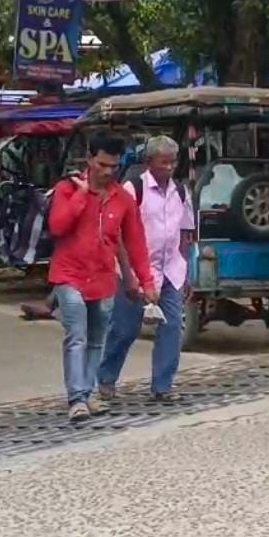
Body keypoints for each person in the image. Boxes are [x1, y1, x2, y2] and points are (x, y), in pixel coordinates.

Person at [48, 133, 159, 423]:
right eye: (102, 164)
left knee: (97, 340)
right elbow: (58, 227)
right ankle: (77, 399)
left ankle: (89, 392)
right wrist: (83, 195)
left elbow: (136, 243)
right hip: (69, 275)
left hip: (103, 279)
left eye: (113, 166)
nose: (108, 171)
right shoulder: (67, 189)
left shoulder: (122, 199)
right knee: (77, 336)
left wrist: (146, 281)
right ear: (89, 160)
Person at [97, 136, 195, 402]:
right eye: (164, 163)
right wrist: (128, 274)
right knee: (125, 329)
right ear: (149, 162)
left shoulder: (181, 192)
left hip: (171, 270)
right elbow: (118, 232)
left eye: (173, 162)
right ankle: (106, 379)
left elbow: (186, 232)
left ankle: (163, 386)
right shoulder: (133, 189)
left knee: (173, 327)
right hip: (136, 270)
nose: (169, 168)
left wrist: (186, 269)